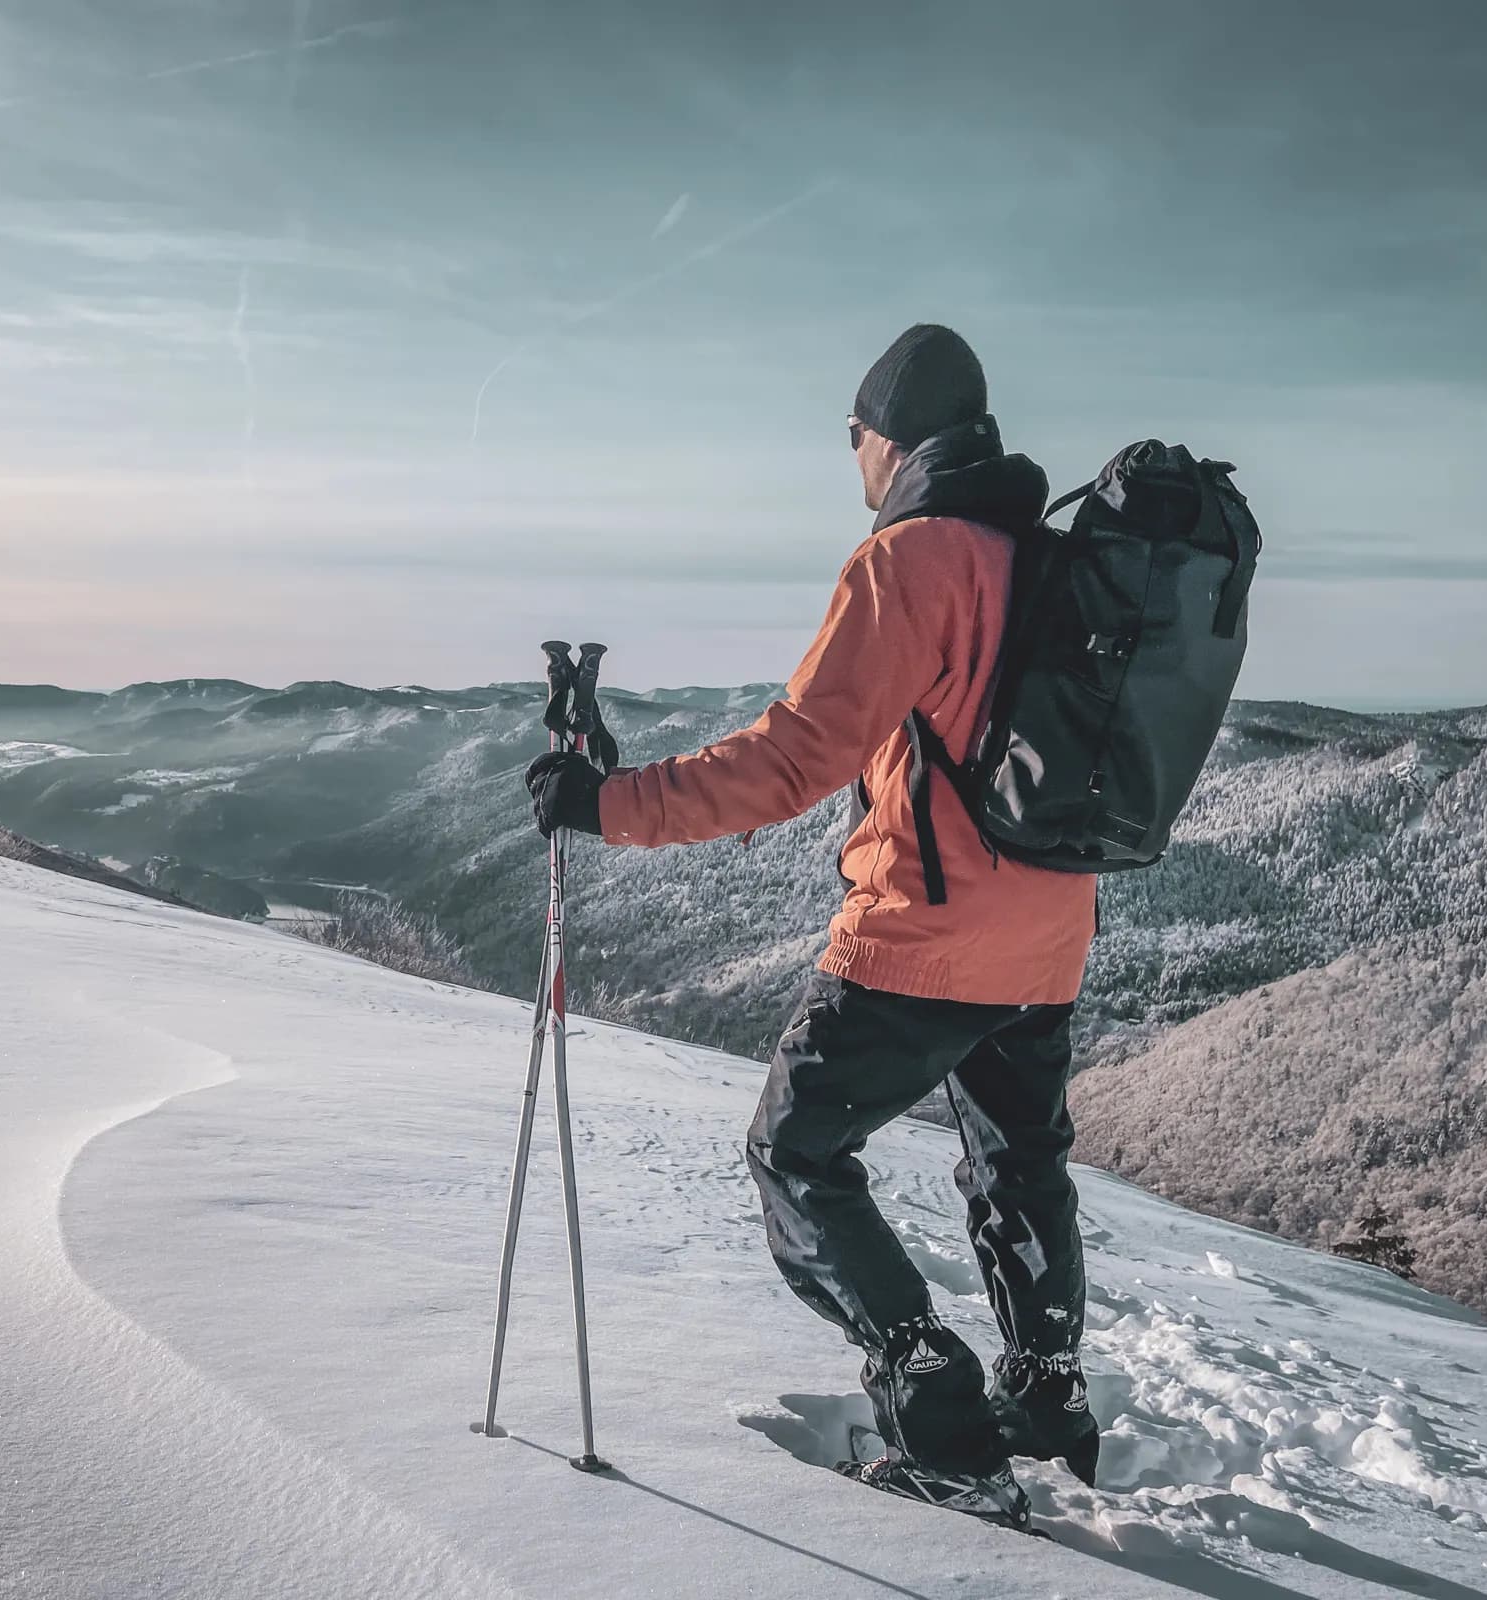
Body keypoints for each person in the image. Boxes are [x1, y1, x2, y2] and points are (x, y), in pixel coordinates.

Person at [524, 325, 1099, 1524]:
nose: (853, 460)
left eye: (852, 438)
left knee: (795, 1152)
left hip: (927, 932)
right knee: (1020, 1160)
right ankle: (1045, 1399)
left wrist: (606, 803)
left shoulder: (910, 559)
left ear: (884, 436)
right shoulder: (1041, 555)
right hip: (1048, 933)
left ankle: (938, 1411)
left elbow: (791, 760)